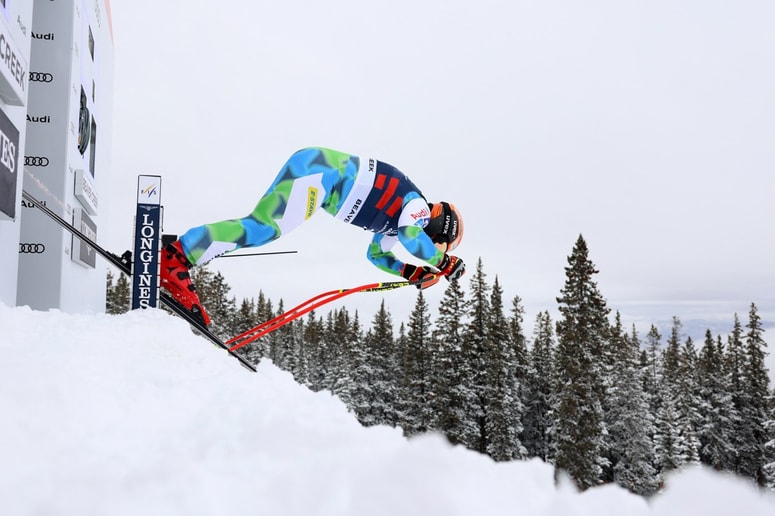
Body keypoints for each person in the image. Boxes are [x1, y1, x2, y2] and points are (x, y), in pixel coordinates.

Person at [160, 147, 466, 325]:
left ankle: (179, 254)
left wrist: (407, 270)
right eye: (438, 243)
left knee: (261, 228)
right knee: (263, 228)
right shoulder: (417, 208)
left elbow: (376, 254)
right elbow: (413, 237)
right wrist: (444, 263)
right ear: (441, 228)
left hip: (317, 173)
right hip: (320, 174)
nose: (433, 247)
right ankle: (176, 257)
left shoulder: (399, 222)